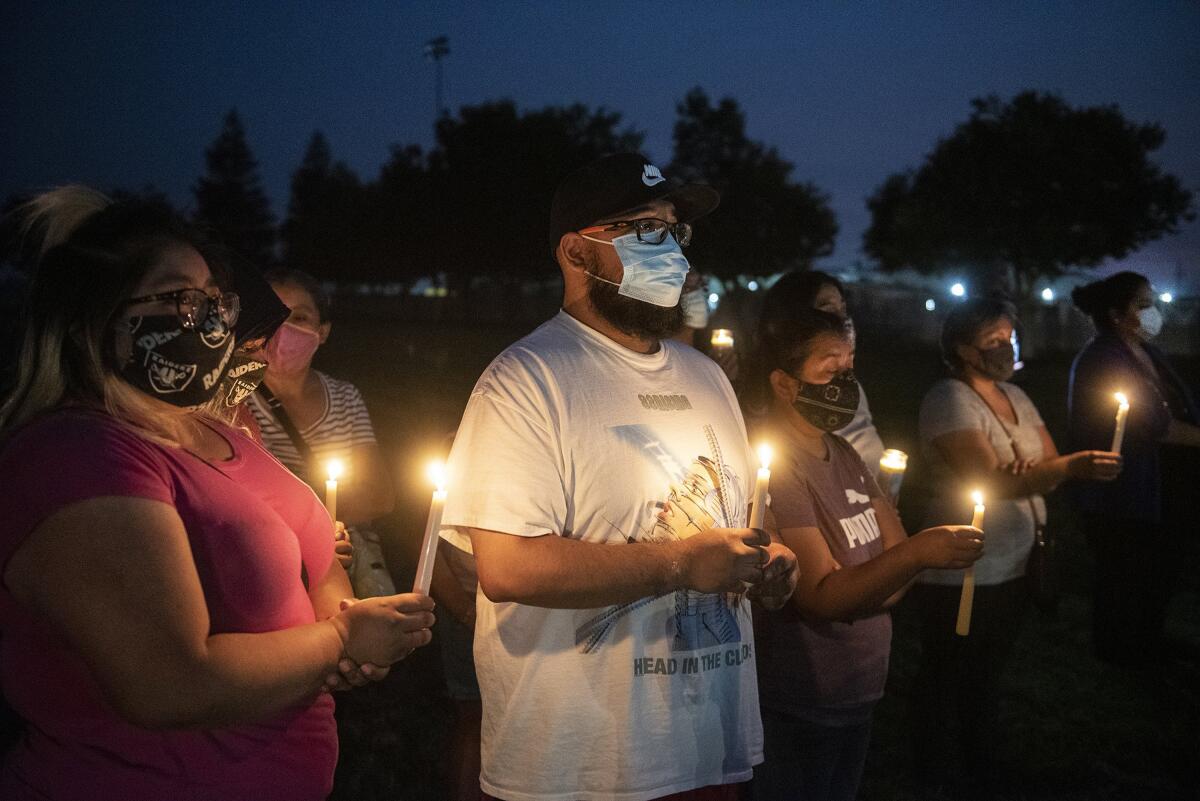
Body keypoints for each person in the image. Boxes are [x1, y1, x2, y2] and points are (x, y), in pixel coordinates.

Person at [0, 187, 434, 800]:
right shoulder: (78, 456)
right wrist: (338, 641)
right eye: (181, 298)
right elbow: (169, 682)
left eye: (214, 300)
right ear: (96, 315)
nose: (212, 320)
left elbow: (309, 559)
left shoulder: (210, 431)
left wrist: (342, 622)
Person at [437, 153, 798, 801]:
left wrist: (766, 561)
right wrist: (681, 564)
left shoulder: (707, 378)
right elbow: (509, 567)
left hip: (704, 752)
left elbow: (731, 528)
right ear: (577, 253)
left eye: (677, 233)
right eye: (648, 230)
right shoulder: (527, 380)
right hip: (579, 767)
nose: (675, 256)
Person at [744, 311, 984, 801]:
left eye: (851, 365)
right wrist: (917, 554)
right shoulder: (780, 465)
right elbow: (824, 598)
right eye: (831, 368)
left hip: (860, 692)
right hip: (800, 699)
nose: (847, 380)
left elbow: (891, 573)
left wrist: (893, 569)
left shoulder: (845, 453)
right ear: (785, 384)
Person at [910, 297, 1120, 786]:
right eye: (992, 341)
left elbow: (1045, 466)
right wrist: (1058, 469)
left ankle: (980, 762)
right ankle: (935, 768)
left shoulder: (1017, 397)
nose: (1006, 348)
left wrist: (1048, 472)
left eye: (1010, 338)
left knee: (987, 673)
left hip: (1014, 563)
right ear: (963, 348)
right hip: (964, 567)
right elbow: (996, 478)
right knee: (949, 669)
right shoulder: (949, 398)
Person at [1068, 272, 1200, 666]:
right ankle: (1119, 650)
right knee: (1124, 569)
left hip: (1164, 484)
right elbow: (1152, 425)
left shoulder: (1148, 352)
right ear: (1116, 314)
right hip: (1124, 488)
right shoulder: (1102, 358)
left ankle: (1149, 639)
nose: (1154, 311)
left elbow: (1179, 406)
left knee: (1160, 568)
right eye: (1144, 304)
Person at [246, 267, 396, 584]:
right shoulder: (236, 401)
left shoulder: (344, 397)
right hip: (275, 559)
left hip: (349, 556)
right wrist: (319, 523)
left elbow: (380, 495)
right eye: (273, 315)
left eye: (298, 318)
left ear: (322, 331)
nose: (283, 328)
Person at [755, 270, 885, 471]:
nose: (842, 320)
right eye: (829, 310)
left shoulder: (850, 387)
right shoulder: (783, 417)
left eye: (843, 308)